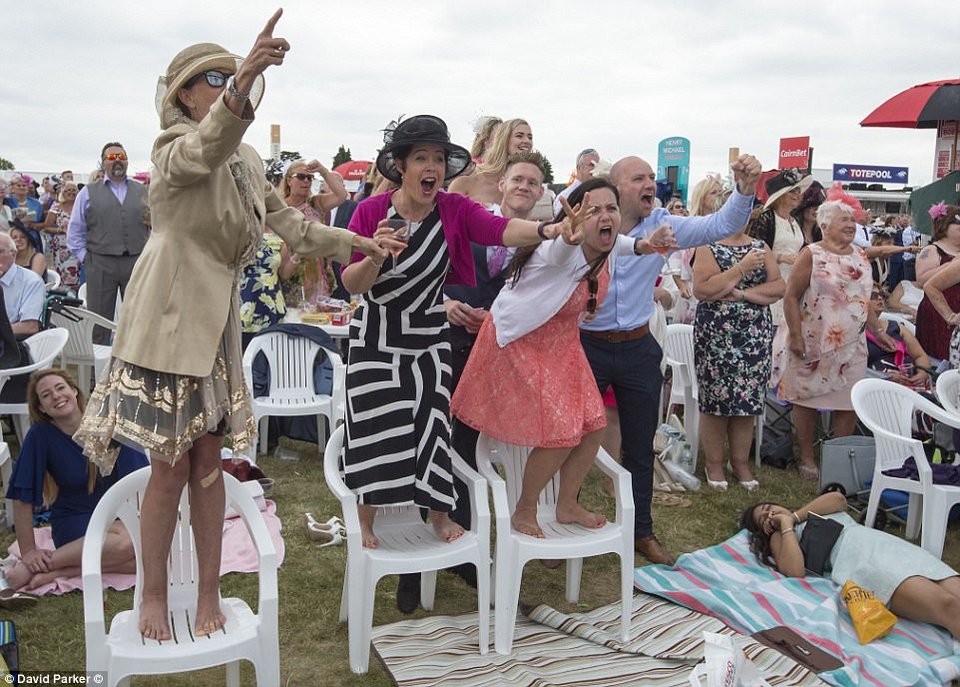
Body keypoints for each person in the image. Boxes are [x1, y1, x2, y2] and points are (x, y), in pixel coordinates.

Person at [73, 12, 386, 641]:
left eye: (227, 76)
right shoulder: (170, 149)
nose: (222, 86)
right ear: (185, 95)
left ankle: (210, 587)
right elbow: (202, 150)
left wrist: (362, 241)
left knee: (210, 461)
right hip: (166, 321)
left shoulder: (244, 155)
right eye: (210, 79)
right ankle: (153, 596)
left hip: (217, 327)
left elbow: (293, 226)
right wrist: (243, 80)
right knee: (169, 467)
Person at [340, 114, 570, 553]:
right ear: (402, 166)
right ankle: (366, 520)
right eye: (422, 158)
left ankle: (438, 515)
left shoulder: (454, 209)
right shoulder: (369, 212)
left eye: (440, 159)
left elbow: (500, 230)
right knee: (372, 427)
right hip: (376, 338)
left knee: (432, 427)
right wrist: (375, 257)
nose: (433, 167)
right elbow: (350, 284)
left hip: (428, 335)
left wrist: (548, 230)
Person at [452, 177, 676, 536]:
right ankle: (524, 510)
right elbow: (561, 249)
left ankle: (567, 503)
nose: (605, 216)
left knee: (593, 425)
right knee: (561, 430)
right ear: (572, 219)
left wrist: (646, 245)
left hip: (560, 344)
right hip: (520, 342)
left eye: (611, 209)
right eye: (593, 210)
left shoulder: (605, 245)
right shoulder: (560, 247)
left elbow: (620, 243)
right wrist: (565, 236)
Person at [580, 153, 762, 566]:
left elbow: (721, 225)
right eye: (638, 179)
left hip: (638, 345)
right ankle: (562, 523)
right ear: (615, 188)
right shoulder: (589, 220)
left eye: (652, 178)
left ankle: (641, 531)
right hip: (585, 345)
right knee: (568, 441)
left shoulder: (664, 223)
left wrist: (744, 190)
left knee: (641, 445)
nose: (650, 184)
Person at [393, 150, 547, 611]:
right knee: (425, 445)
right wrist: (442, 301)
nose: (523, 187)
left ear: (540, 193)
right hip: (438, 348)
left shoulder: (540, 243)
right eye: (517, 178)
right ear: (502, 185)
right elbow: (422, 269)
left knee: (465, 452)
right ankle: (412, 569)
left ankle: (463, 555)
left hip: (490, 359)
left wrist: (497, 319)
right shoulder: (470, 220)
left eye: (533, 182)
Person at [769, 200, 890, 480]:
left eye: (852, 220)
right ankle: (807, 458)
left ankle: (837, 458)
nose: (850, 225)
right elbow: (790, 296)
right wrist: (796, 336)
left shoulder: (861, 255)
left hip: (851, 344)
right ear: (824, 225)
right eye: (843, 220)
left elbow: (864, 301)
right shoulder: (811, 254)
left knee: (848, 403)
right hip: (813, 339)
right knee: (806, 400)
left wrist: (879, 333)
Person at [741, 491, 960, 639]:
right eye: (764, 518)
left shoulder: (809, 510)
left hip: (890, 547)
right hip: (864, 564)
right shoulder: (782, 537)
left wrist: (796, 516)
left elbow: (838, 499)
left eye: (769, 507)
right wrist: (785, 525)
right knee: (948, 605)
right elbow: (795, 571)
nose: (771, 513)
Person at [4, 370, 148, 591]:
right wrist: (29, 552)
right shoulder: (40, 435)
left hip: (120, 517)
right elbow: (22, 495)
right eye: (46, 395)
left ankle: (54, 568)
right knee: (128, 545)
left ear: (73, 390)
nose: (56, 396)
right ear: (42, 408)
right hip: (76, 522)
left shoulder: (107, 423)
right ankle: (43, 564)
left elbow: (139, 481)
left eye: (60, 388)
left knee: (149, 556)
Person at [692, 218, 784, 491]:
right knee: (716, 400)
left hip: (754, 335)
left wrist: (743, 295)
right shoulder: (708, 246)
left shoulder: (760, 247)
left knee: (748, 400)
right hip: (716, 334)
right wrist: (742, 268)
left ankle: (740, 462)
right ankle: (714, 463)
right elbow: (704, 289)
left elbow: (778, 287)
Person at [65, 142, 150, 344]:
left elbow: (153, 227)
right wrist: (88, 259)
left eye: (121, 156)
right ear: (103, 163)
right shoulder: (87, 192)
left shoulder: (143, 191)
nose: (117, 160)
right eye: (111, 158)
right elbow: (75, 232)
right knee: (99, 321)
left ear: (127, 161)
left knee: (139, 318)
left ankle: (134, 370)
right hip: (100, 263)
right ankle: (98, 369)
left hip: (136, 262)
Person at [277, 159, 348, 306]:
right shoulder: (279, 206)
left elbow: (341, 195)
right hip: (287, 268)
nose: (306, 181)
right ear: (289, 180)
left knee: (315, 317)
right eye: (301, 176)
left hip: (315, 270)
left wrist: (322, 170)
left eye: (310, 178)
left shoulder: (315, 203)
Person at [747, 169, 812, 324]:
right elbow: (753, 252)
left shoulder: (795, 220)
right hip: (772, 282)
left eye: (799, 190)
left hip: (794, 283)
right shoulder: (767, 218)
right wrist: (781, 257)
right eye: (793, 191)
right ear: (782, 195)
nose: (798, 194)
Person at [448, 118, 533, 207]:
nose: (527, 141)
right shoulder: (468, 178)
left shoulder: (524, 188)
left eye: (530, 137)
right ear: (503, 140)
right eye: (519, 136)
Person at [915, 203, 960, 360]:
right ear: (945, 225)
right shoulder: (931, 250)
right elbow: (922, 279)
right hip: (938, 311)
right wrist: (949, 266)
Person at [866, 285, 931, 389]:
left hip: (908, 381)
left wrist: (922, 374)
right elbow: (856, 370)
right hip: (876, 386)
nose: (879, 298)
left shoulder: (897, 327)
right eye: (873, 296)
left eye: (881, 295)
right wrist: (883, 376)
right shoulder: (855, 334)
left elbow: (920, 356)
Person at [0, 232, 44, 339]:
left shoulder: (31, 281)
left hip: (11, 346)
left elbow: (30, 326)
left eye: (0, 252)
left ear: (13, 254)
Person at [39, 181, 81, 290]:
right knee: (64, 277)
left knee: (79, 276)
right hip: (62, 248)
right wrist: (60, 230)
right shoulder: (56, 208)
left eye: (74, 190)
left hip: (79, 247)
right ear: (63, 193)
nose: (71, 193)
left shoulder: (81, 207)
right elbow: (46, 227)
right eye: (68, 190)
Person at [553, 148, 600, 214]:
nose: (596, 169)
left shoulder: (599, 194)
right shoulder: (566, 196)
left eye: (598, 165)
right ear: (579, 168)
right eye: (591, 165)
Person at [790, 180, 826, 245]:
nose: (817, 209)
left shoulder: (823, 234)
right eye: (812, 205)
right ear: (802, 208)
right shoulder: (791, 230)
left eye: (820, 206)